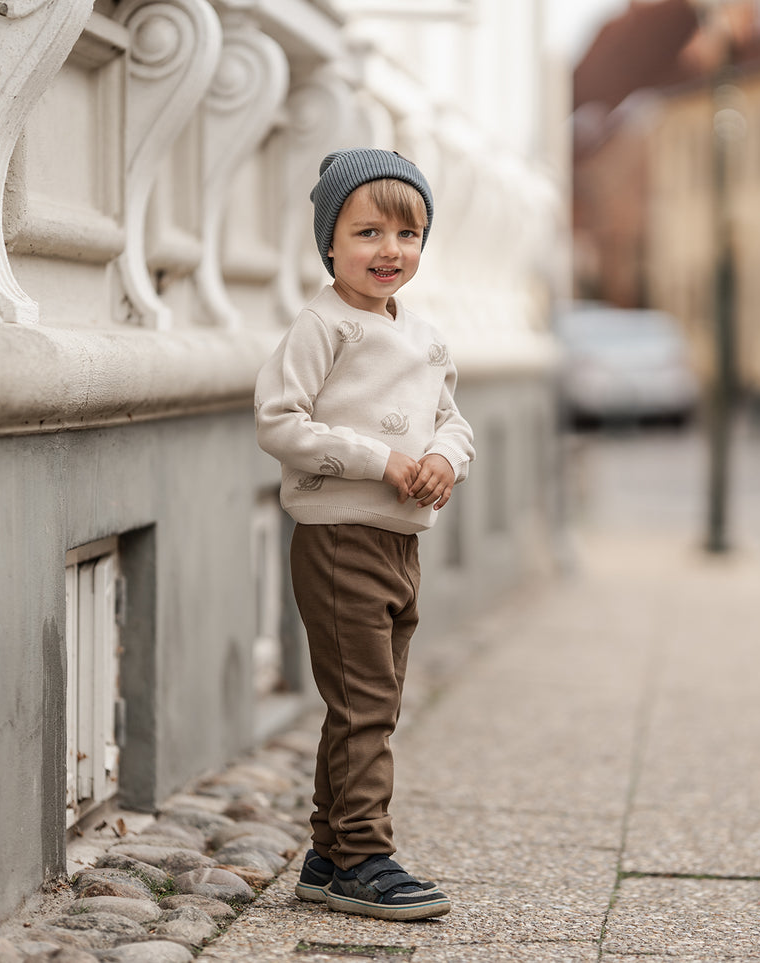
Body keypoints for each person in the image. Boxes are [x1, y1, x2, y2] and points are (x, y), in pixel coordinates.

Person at [254, 148, 475, 921]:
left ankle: (328, 852)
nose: (390, 250)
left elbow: (452, 419)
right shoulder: (321, 325)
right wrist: (380, 459)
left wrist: (444, 459)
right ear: (329, 244)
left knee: (366, 702)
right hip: (341, 536)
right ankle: (363, 855)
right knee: (364, 705)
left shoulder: (422, 333)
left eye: (407, 233)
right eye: (368, 232)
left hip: (398, 543)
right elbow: (279, 423)